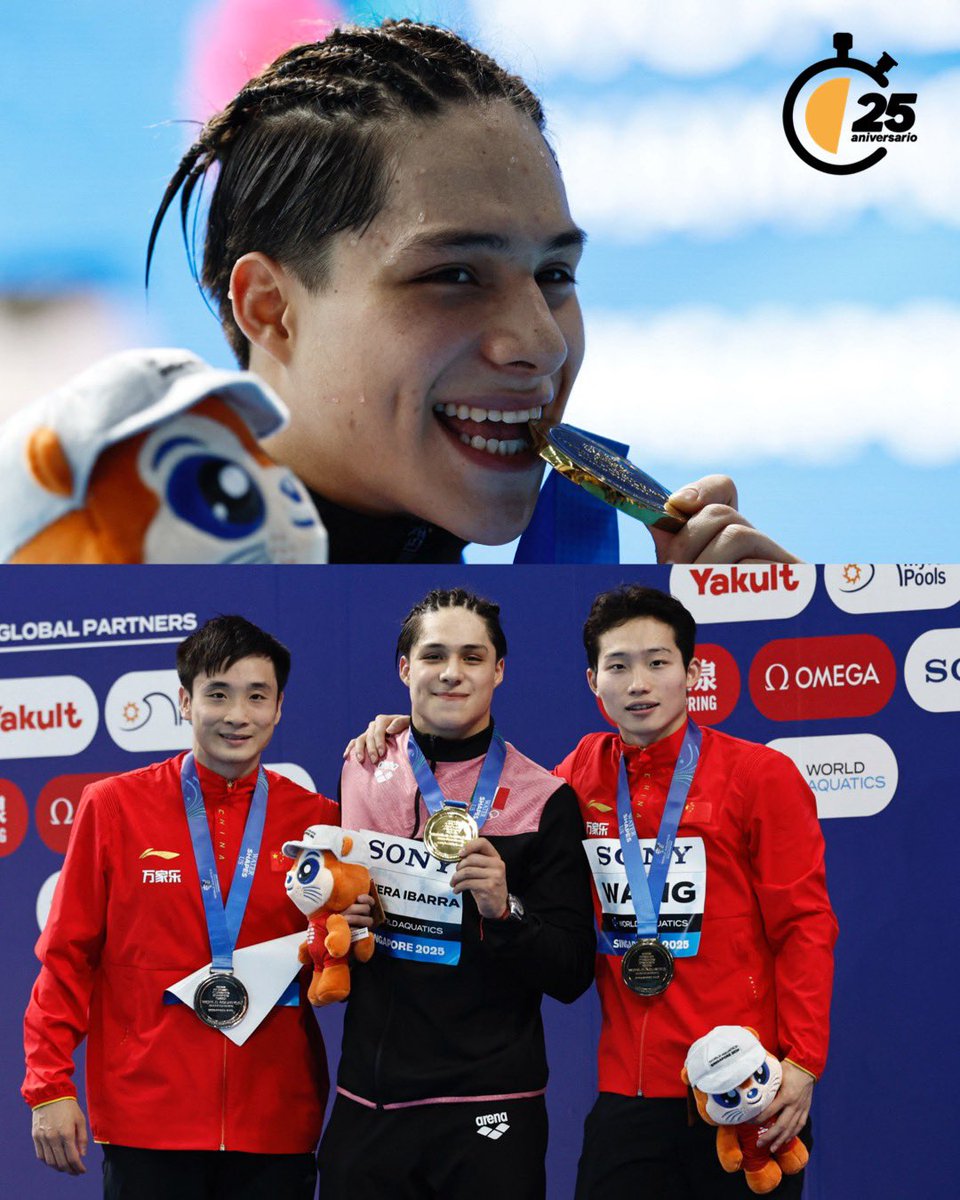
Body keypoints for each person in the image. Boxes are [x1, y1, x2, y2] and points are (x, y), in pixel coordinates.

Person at [147, 18, 797, 565]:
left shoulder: (621, 645)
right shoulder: (111, 621)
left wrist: (752, 683)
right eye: (454, 276)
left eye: (555, 275)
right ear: (271, 307)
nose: (542, 345)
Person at [348, 583, 838, 1197]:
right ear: (592, 681)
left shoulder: (761, 775)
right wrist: (409, 734)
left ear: (690, 672)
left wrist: (801, 1063)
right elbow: (496, 787)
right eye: (619, 666)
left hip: (741, 1086)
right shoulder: (580, 773)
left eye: (658, 662)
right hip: (627, 1094)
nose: (639, 684)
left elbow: (805, 925)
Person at [23, 615, 335, 1199]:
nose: (237, 715)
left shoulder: (318, 820)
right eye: (217, 694)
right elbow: (66, 955)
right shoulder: (113, 806)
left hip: (275, 1121)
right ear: (185, 702)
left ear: (279, 708)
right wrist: (49, 1085)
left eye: (256, 696)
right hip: (147, 1122)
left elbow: (341, 957)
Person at [322, 587, 595, 1199]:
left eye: (473, 658)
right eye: (434, 656)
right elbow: (329, 915)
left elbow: (572, 973)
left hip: (492, 1100)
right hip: (372, 1099)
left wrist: (505, 910)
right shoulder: (359, 768)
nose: (452, 673)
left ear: (498, 671)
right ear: (404, 669)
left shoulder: (542, 798)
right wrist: (348, 918)